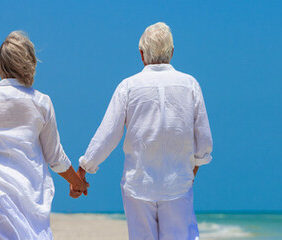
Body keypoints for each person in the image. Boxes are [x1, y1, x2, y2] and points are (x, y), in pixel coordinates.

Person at [0, 31, 90, 239]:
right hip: (32, 195)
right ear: (30, 62)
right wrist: (77, 182)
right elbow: (55, 157)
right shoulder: (42, 103)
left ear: (1, 64)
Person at [78, 22, 213, 240]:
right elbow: (204, 140)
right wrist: (191, 172)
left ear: (141, 54)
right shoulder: (190, 85)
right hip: (178, 184)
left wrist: (84, 169)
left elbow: (108, 133)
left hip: (138, 186)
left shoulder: (128, 87)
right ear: (172, 53)